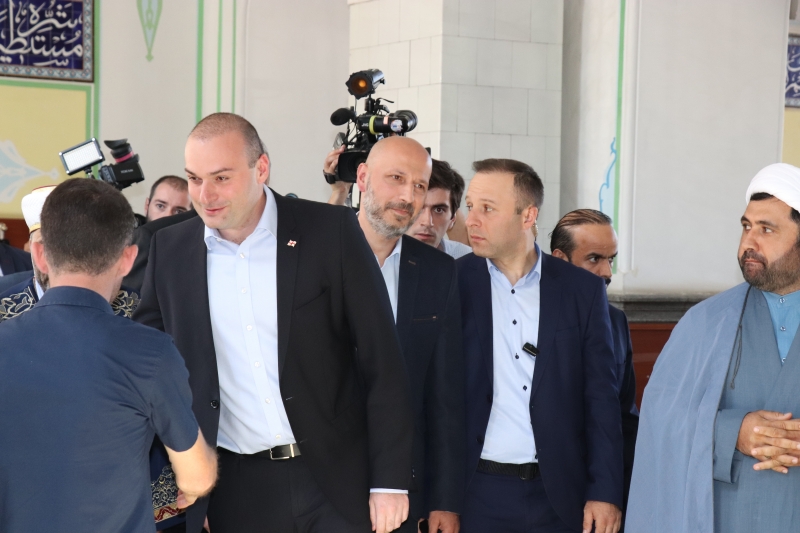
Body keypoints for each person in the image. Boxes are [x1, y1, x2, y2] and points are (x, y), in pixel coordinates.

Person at [134, 112, 414, 533]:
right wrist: (190, 473)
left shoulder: (331, 231)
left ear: (261, 168)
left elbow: (384, 361)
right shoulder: (170, 249)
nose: (205, 195)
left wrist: (390, 482)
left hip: (336, 480)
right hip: (236, 489)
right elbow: (150, 367)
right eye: (194, 179)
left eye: (221, 178)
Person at [0, 178, 217, 533]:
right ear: (128, 259)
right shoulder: (152, 352)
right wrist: (194, 487)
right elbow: (198, 476)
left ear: (39, 254)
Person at [627, 163, 800, 533]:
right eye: (746, 226)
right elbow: (660, 419)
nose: (749, 243)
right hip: (725, 516)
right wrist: (730, 432)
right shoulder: (706, 321)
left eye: (766, 229)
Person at [457, 158, 623, 533]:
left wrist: (605, 491)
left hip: (560, 497)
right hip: (475, 494)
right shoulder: (453, 284)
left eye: (487, 208)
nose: (472, 220)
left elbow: (601, 398)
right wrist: (439, 501)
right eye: (470, 206)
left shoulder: (582, 290)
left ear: (528, 215)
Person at [352, 136, 466, 533]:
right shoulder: (313, 253)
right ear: (362, 177)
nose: (408, 196)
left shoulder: (439, 271)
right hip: (316, 488)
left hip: (404, 492)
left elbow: (445, 398)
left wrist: (445, 501)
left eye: (419, 185)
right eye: (396, 178)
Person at [550, 209, 639, 530]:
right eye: (594, 259)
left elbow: (624, 418)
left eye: (610, 259)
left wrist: (614, 494)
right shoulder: (528, 319)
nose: (606, 272)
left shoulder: (616, 321)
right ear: (560, 260)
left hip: (599, 500)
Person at [0, 185, 140, 322]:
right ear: (34, 249)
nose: (62, 255)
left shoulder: (138, 309)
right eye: (48, 244)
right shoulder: (4, 311)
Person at [325, 147, 472, 259]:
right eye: (419, 208)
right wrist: (339, 192)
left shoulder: (463, 260)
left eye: (439, 210)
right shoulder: (365, 254)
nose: (427, 222)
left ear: (453, 219)